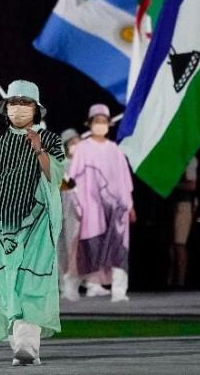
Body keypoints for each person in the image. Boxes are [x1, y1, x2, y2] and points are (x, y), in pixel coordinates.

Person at [0, 80, 66, 366]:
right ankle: (19, 341)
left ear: (36, 109)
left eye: (25, 103)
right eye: (14, 102)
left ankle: (27, 344)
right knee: (4, 282)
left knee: (31, 280)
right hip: (1, 227)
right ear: (5, 107)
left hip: (37, 224)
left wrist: (39, 149)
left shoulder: (50, 140)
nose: (19, 108)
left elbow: (56, 177)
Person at [69, 104, 135, 302]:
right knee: (91, 246)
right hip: (90, 208)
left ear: (108, 124)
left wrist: (130, 206)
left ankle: (119, 290)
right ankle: (92, 284)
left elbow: (125, 181)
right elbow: (69, 178)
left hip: (116, 208)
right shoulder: (82, 148)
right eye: (96, 122)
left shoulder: (115, 150)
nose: (100, 125)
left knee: (118, 247)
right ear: (90, 124)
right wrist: (75, 203)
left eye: (103, 122)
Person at [57, 129, 83, 301]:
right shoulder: (61, 165)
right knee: (61, 251)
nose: (76, 145)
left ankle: (72, 286)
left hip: (79, 213)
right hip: (61, 212)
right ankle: (62, 285)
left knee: (74, 250)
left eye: (78, 141)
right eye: (72, 142)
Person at [166, 157, 198, 289]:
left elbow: (191, 185)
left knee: (180, 243)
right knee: (172, 245)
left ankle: (180, 281)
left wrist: (171, 185)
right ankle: (171, 280)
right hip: (175, 203)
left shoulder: (189, 159)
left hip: (184, 204)